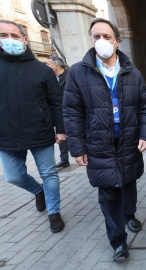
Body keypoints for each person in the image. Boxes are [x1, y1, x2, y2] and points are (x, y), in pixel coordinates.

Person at [63, 18, 146, 262]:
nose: (101, 41)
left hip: (128, 140)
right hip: (98, 143)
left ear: (117, 41)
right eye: (96, 36)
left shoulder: (131, 71)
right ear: (91, 39)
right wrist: (77, 147)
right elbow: (71, 112)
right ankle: (118, 241)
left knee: (129, 182)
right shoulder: (78, 72)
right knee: (108, 192)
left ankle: (129, 214)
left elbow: (144, 106)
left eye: (106, 36)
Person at [0, 20, 66, 232]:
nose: (9, 40)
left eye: (14, 35)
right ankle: (39, 191)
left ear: (25, 40)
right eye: (3, 35)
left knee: (49, 173)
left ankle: (54, 212)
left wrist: (61, 129)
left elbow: (56, 102)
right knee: (13, 176)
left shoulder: (42, 70)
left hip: (39, 130)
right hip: (6, 135)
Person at [47, 55, 70, 168]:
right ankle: (64, 159)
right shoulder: (51, 79)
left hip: (71, 111)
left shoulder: (70, 76)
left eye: (48, 65)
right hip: (60, 112)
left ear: (55, 66)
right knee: (61, 134)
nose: (47, 67)